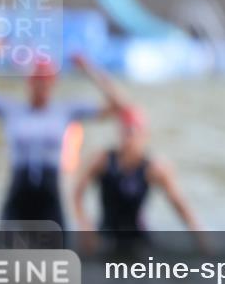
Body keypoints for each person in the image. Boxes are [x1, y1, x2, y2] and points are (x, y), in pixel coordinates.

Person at [0, 50, 123, 230]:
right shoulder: (11, 110)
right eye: (38, 81)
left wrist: (88, 69)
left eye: (46, 81)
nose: (42, 87)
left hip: (50, 196)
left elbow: (119, 105)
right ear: (29, 82)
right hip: (19, 192)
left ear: (53, 83)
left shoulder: (65, 111)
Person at [71, 104, 207, 253]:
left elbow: (179, 204)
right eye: (126, 131)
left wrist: (199, 235)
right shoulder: (103, 160)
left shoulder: (154, 168)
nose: (129, 138)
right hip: (107, 235)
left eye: (134, 132)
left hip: (138, 237)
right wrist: (84, 224)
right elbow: (77, 192)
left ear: (144, 135)